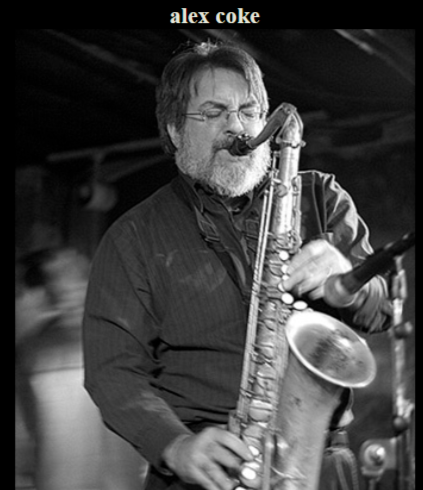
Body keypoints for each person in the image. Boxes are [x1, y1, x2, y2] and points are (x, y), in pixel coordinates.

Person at [82, 41, 391, 490]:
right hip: (208, 468)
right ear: (174, 130)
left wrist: (350, 281)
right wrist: (174, 445)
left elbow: (384, 310)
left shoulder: (320, 197)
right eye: (214, 112)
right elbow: (112, 371)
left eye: (248, 110)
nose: (237, 126)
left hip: (322, 464)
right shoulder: (133, 237)